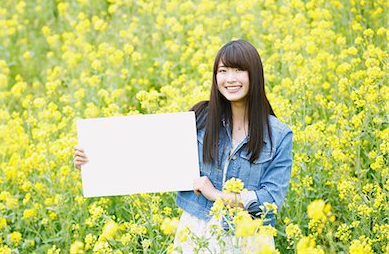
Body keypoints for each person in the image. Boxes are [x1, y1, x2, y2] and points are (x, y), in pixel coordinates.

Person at [73, 39, 293, 253]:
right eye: (223, 71)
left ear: (254, 75)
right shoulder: (200, 118)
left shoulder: (279, 135)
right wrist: (92, 160)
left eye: (238, 70)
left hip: (249, 238)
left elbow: (271, 199)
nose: (230, 79)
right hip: (197, 232)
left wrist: (216, 195)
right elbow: (146, 155)